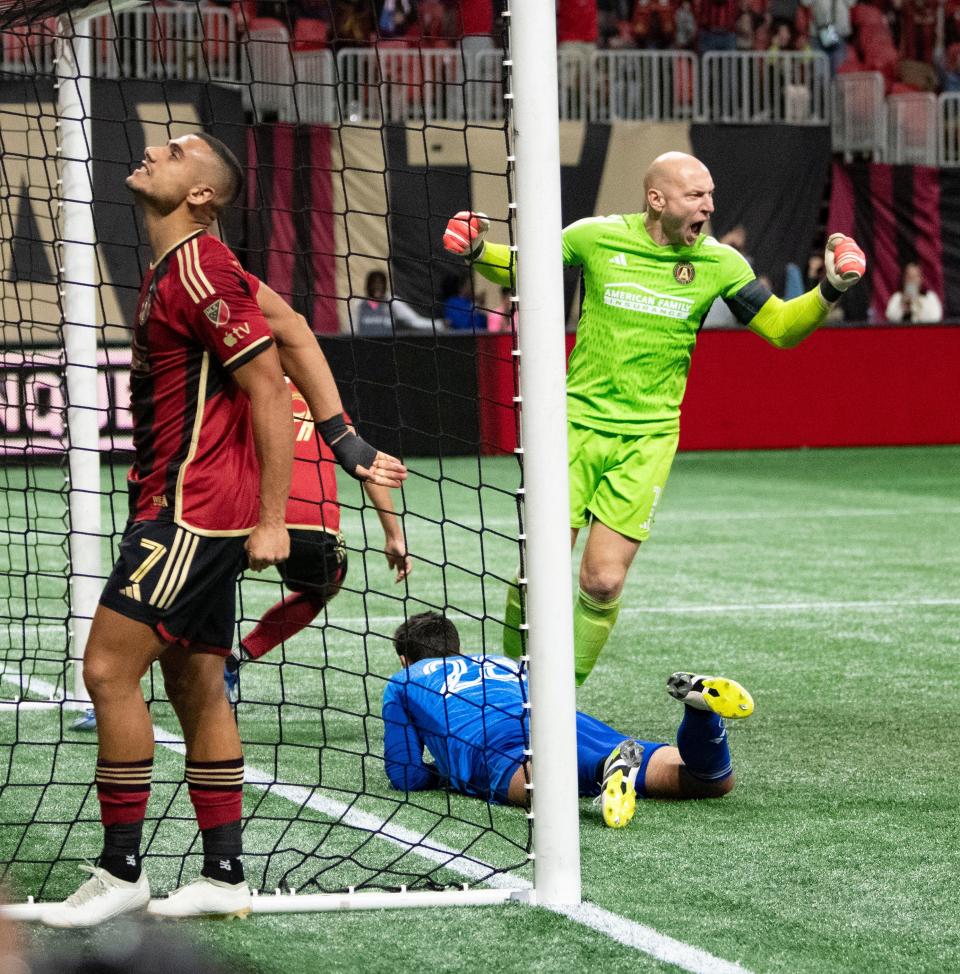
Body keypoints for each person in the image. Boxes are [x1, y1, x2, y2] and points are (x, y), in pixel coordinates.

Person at [41, 132, 404, 929]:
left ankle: (121, 870)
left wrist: (273, 519)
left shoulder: (201, 269)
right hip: (190, 506)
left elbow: (270, 389)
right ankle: (225, 876)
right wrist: (347, 444)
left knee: (106, 670)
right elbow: (301, 331)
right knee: (195, 681)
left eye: (174, 151)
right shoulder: (202, 266)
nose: (150, 151)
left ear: (201, 194)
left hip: (193, 513)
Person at [443, 153, 865, 686]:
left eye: (710, 195)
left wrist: (830, 289)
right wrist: (477, 249)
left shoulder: (721, 264)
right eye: (696, 196)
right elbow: (525, 264)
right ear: (657, 199)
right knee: (538, 575)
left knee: (601, 582)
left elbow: (779, 327)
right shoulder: (596, 237)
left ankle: (557, 699)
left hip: (649, 440)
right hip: (572, 428)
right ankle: (513, 686)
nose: (708, 208)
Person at [382, 612, 754, 828]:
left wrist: (442, 773)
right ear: (457, 648)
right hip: (564, 719)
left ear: (403, 659)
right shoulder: (499, 661)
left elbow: (405, 775)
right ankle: (699, 712)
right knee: (709, 781)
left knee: (538, 783)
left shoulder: (403, 681)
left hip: (496, 744)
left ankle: (605, 768)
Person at [224, 374, 412, 703]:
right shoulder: (318, 400)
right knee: (324, 586)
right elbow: (367, 466)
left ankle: (194, 664)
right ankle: (235, 660)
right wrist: (394, 536)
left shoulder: (237, 389)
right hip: (313, 527)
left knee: (196, 589)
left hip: (242, 522)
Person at [350, 269, 437, 336]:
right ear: (367, 285)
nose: (377, 286)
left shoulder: (393, 302)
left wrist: (438, 324)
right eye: (373, 283)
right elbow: (352, 330)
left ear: (385, 285)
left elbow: (414, 321)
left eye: (380, 283)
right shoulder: (359, 304)